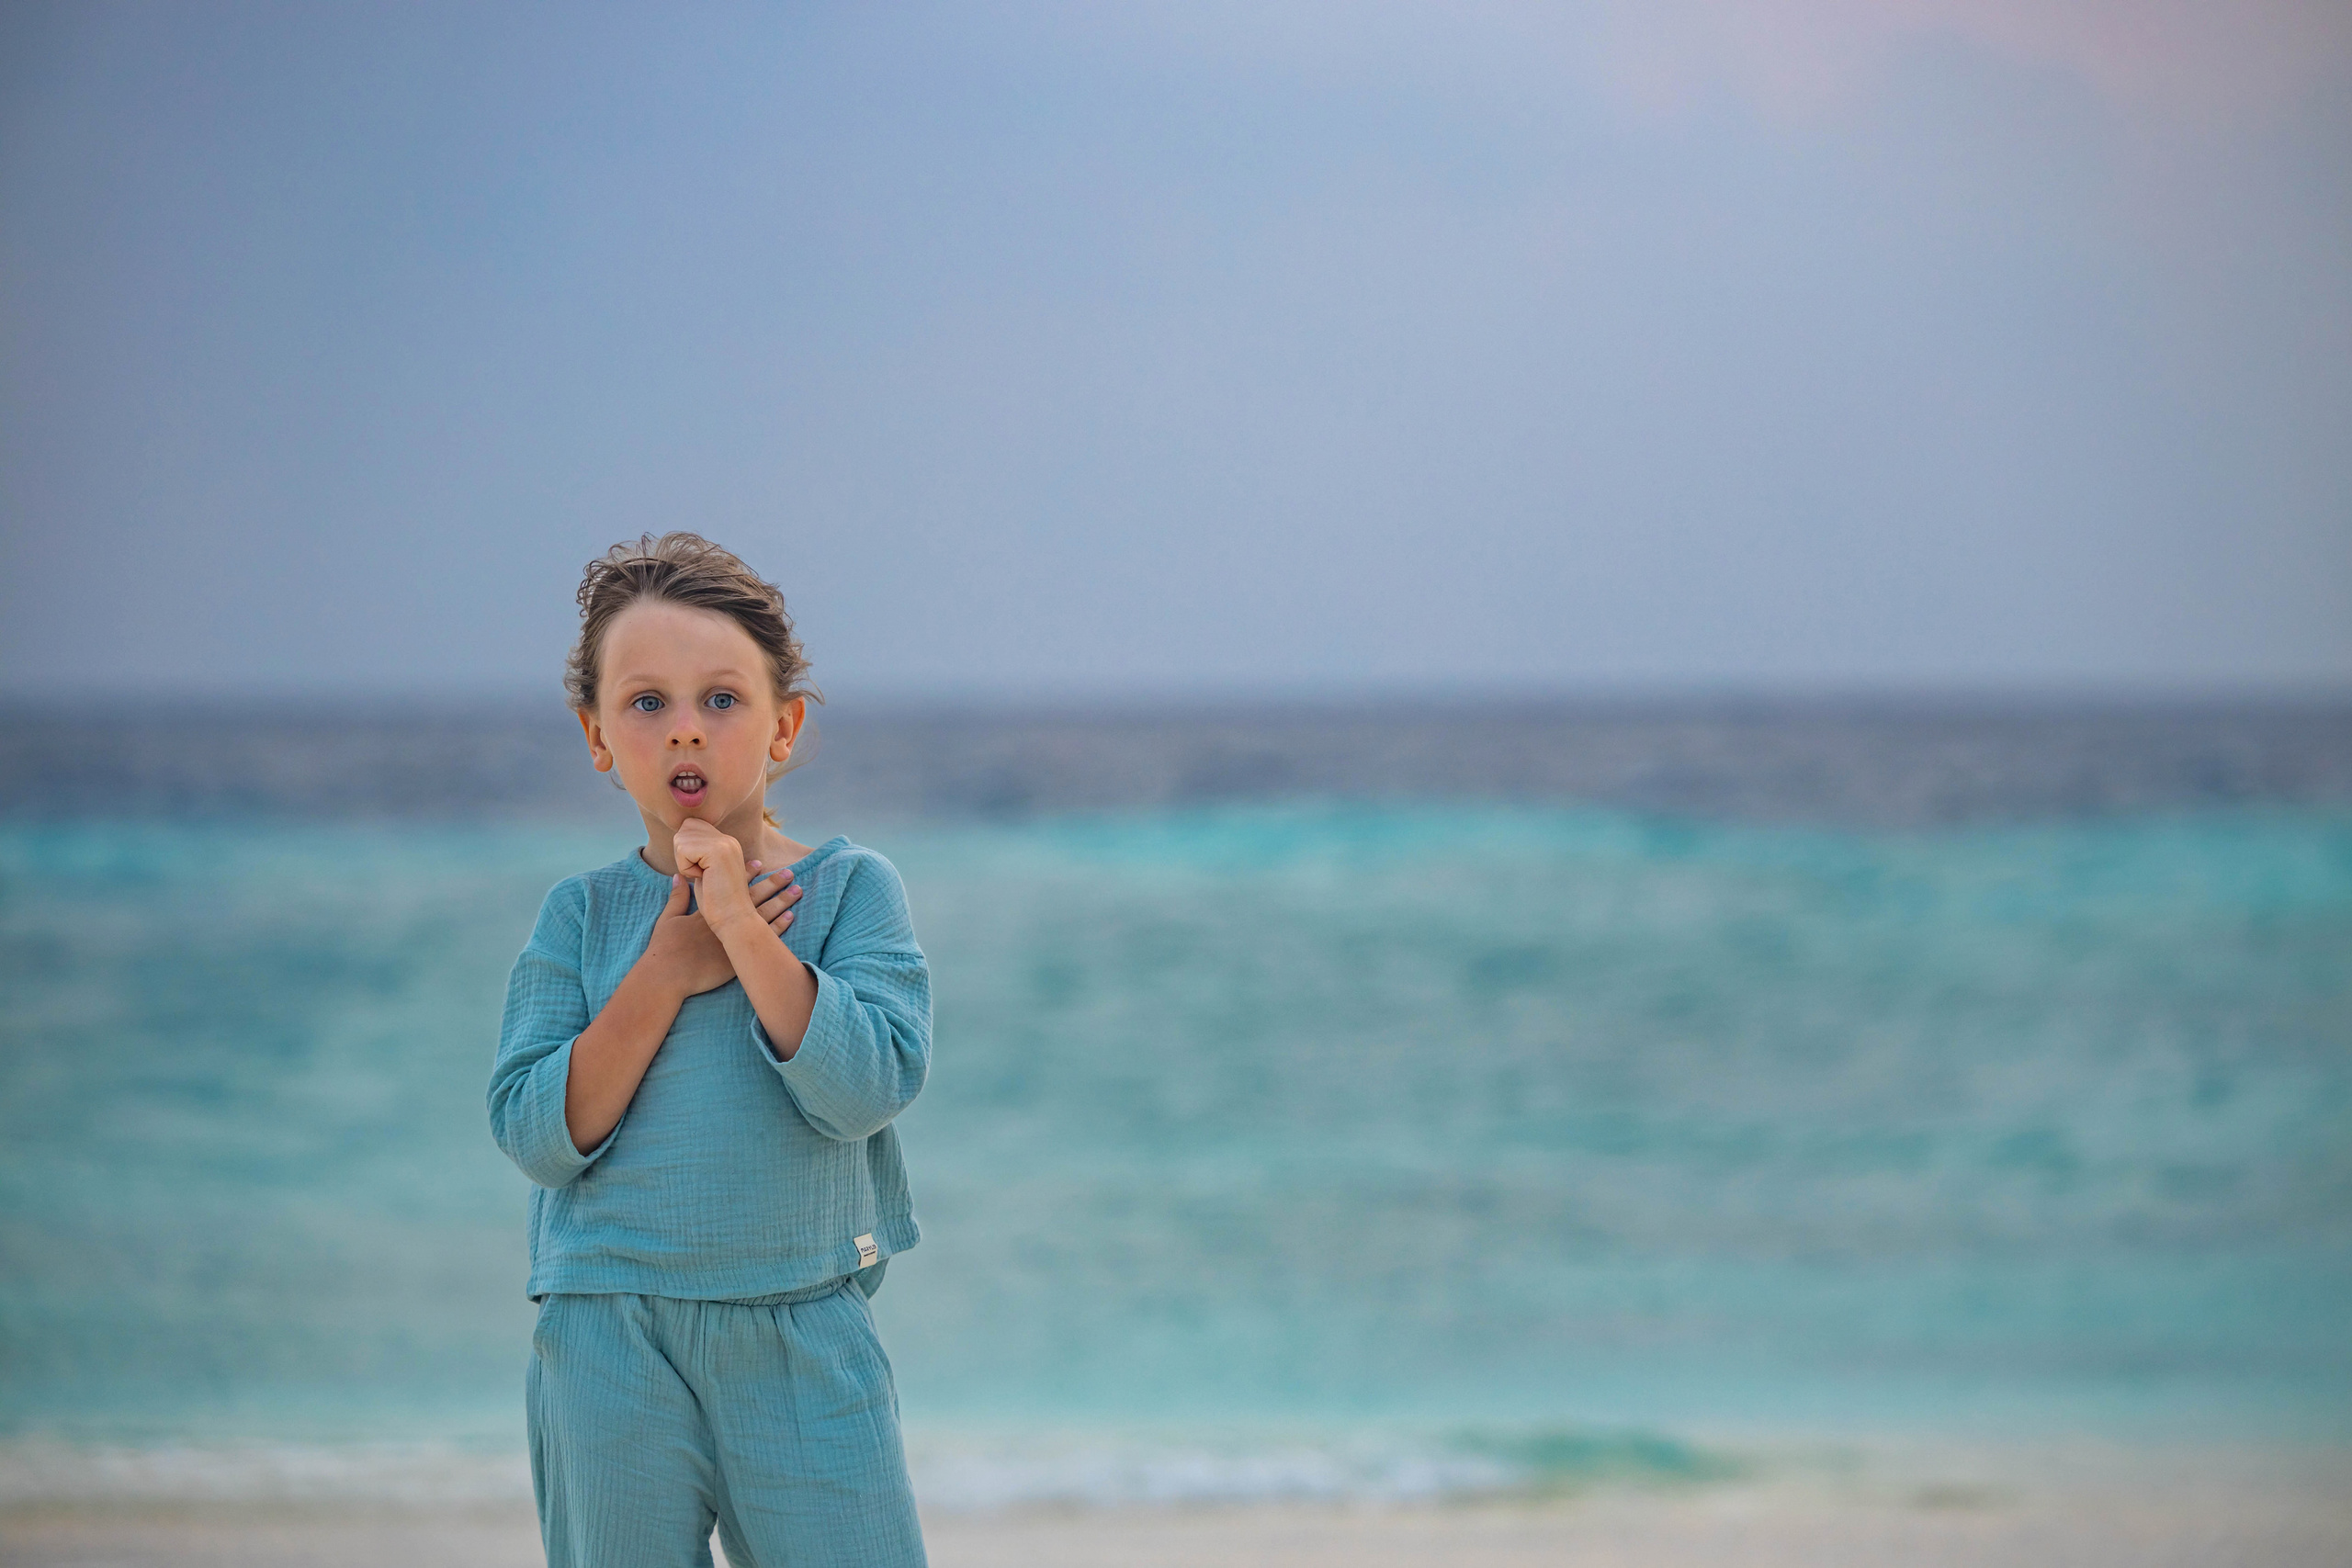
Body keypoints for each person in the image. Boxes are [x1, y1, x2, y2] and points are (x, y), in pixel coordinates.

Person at [490, 533, 930, 1568]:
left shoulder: (852, 890)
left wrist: (741, 929)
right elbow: (537, 1134)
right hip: (607, 1331)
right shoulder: (581, 916)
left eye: (721, 700)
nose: (685, 730)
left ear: (784, 727)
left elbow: (865, 1089)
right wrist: (669, 966)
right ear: (597, 736)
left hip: (800, 1324)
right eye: (646, 704)